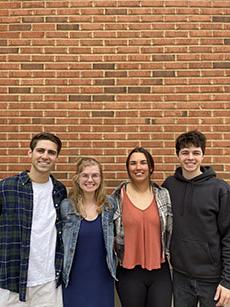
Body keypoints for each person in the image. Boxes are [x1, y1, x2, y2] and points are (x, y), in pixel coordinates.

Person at [163, 130, 230, 307]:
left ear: (203, 155)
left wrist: (227, 281)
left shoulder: (220, 190)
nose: (190, 157)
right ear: (177, 155)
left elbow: (228, 236)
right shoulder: (169, 186)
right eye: (185, 152)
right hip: (180, 275)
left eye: (196, 152)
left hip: (212, 279)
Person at [0, 132, 67, 306]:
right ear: (30, 153)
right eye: (40, 150)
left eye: (51, 152)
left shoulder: (59, 191)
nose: (45, 156)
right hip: (11, 282)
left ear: (56, 158)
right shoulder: (6, 188)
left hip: (49, 283)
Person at [110, 147, 172, 307]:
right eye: (133, 163)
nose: (138, 167)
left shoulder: (163, 194)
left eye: (143, 163)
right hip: (128, 272)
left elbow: (171, 229)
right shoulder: (117, 198)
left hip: (160, 270)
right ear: (128, 168)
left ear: (151, 167)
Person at [61, 157, 117, 307]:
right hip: (73, 278)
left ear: (101, 178)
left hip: (102, 278)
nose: (90, 180)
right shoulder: (67, 206)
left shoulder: (110, 205)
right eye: (85, 175)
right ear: (77, 178)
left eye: (95, 175)